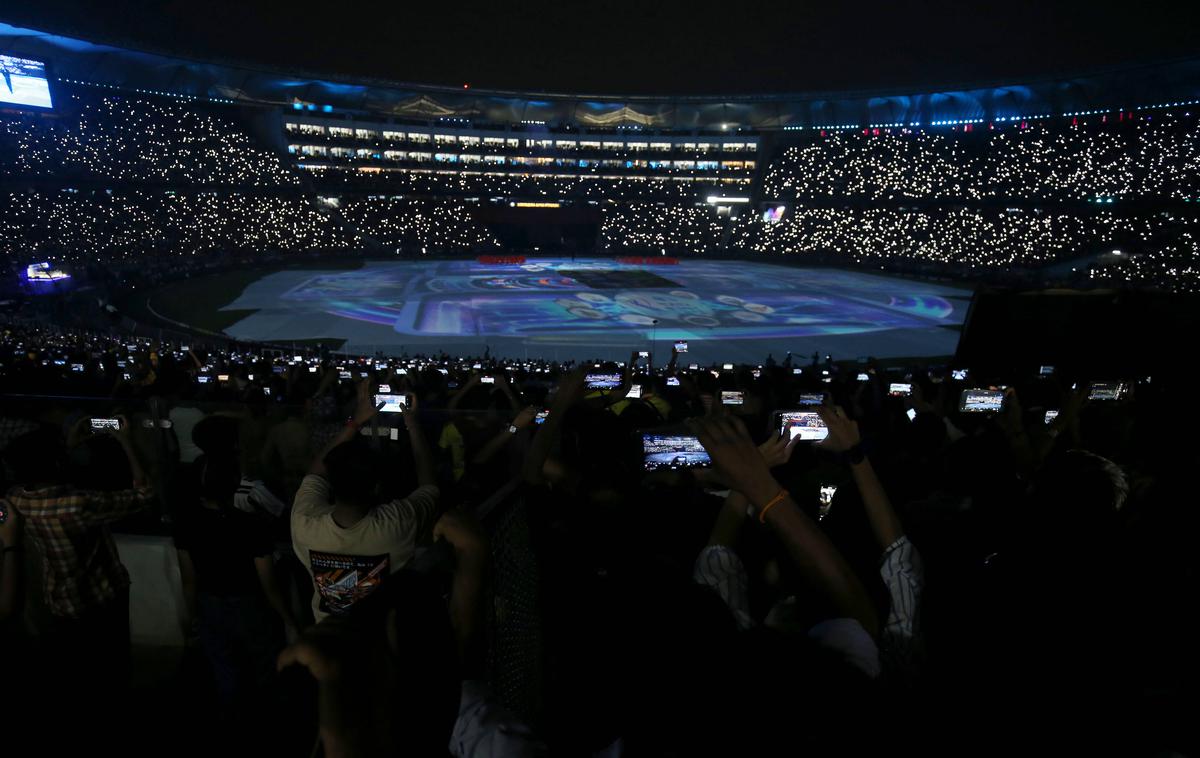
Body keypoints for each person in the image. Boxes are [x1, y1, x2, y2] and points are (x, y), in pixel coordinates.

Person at [4, 419, 154, 714]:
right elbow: (144, 495)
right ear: (58, 462)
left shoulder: (16, 500)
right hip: (100, 596)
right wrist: (126, 441)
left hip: (58, 599)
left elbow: (40, 472)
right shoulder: (78, 503)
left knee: (74, 673)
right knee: (111, 671)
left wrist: (70, 444)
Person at [291, 380, 439, 622]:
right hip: (377, 640)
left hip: (327, 635)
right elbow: (430, 487)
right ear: (377, 486)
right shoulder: (397, 524)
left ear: (332, 485)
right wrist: (412, 423)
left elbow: (315, 474)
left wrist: (354, 421)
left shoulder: (304, 522)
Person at [174, 451, 297, 713]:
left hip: (210, 604)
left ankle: (232, 720)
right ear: (232, 483)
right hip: (250, 604)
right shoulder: (250, 525)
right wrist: (289, 620)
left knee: (224, 669)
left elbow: (189, 580)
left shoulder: (186, 522)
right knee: (264, 665)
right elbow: (269, 585)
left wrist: (190, 618)